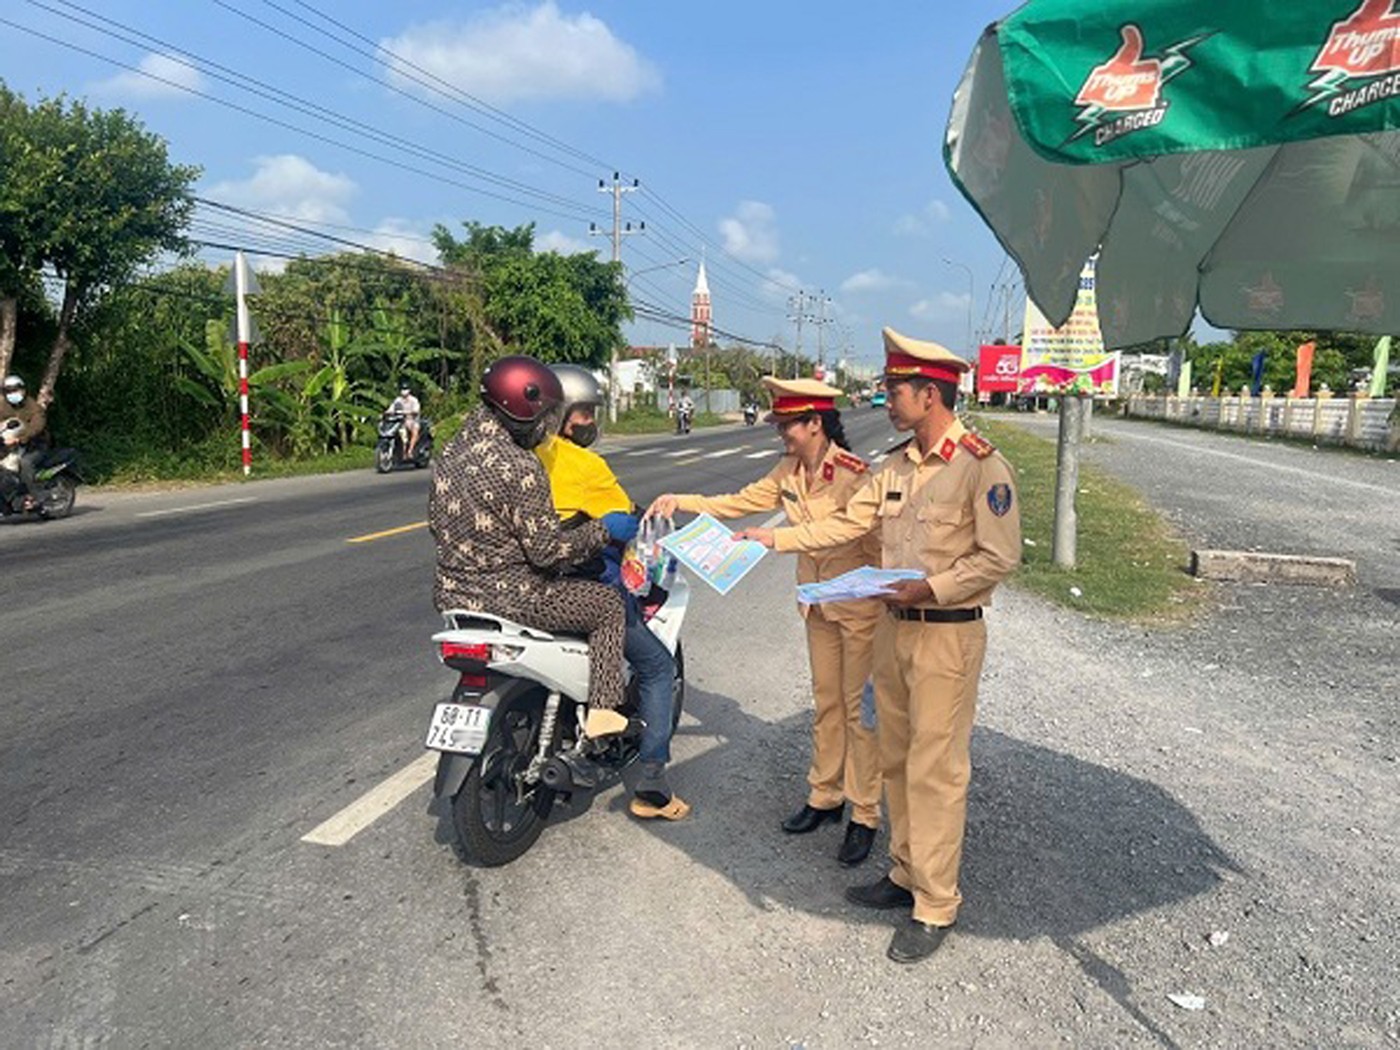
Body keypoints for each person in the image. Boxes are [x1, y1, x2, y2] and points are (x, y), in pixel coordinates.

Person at [737, 328, 1021, 964]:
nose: (886, 400)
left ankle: (936, 903)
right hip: (893, 629)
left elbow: (999, 556)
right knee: (894, 756)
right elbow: (846, 523)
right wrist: (772, 539)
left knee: (936, 768)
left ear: (930, 394)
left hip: (948, 634)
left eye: (895, 391)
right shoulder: (893, 468)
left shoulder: (981, 466)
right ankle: (904, 871)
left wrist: (932, 586)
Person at [648, 377, 884, 864]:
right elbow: (740, 501)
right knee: (826, 704)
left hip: (858, 606)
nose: (780, 432)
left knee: (857, 712)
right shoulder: (788, 469)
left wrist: (775, 539)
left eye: (787, 425)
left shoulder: (854, 474)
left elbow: (844, 529)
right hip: (816, 604)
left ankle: (864, 814)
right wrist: (681, 500)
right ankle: (825, 797)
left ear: (814, 424)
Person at [429, 355, 636, 741]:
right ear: (521, 410)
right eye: (543, 417)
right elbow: (548, 552)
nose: (545, 428)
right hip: (517, 599)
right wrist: (602, 531)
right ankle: (604, 710)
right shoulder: (521, 465)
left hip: (453, 597)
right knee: (608, 606)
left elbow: (436, 525)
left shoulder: (449, 455)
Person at [536, 363, 689, 821]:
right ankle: (652, 782)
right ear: (564, 415)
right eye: (585, 412)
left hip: (523, 586)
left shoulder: (519, 458)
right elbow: (626, 519)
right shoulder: (583, 465)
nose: (591, 422)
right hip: (579, 588)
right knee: (658, 667)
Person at [1, 375, 46, 511]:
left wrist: (19, 439)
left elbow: (36, 428)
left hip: (35, 445)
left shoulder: (34, 408)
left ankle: (36, 498)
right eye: (8, 391)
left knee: (25, 463)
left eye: (15, 390)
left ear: (23, 390)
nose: (12, 394)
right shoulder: (4, 406)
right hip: (12, 445)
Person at [387, 383, 421, 459]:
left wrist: (408, 413)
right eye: (402, 389)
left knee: (415, 431)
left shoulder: (414, 400)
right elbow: (391, 409)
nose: (403, 391)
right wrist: (387, 413)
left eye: (405, 389)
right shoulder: (397, 400)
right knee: (400, 433)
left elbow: (416, 411)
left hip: (412, 420)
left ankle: (410, 451)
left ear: (409, 390)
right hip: (400, 421)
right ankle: (400, 451)